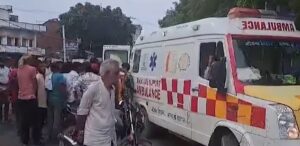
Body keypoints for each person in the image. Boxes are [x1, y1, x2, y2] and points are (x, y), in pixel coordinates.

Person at [76, 59, 120, 146]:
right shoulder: (94, 89)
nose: (118, 76)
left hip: (109, 137)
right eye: (116, 73)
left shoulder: (113, 89)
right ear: (107, 73)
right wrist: (81, 133)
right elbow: (81, 113)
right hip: (95, 139)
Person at [17, 55, 40, 146]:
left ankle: (25, 141)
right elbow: (35, 84)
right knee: (35, 121)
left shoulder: (19, 69)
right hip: (30, 98)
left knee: (24, 121)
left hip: (21, 97)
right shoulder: (32, 69)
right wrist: (35, 93)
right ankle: (35, 140)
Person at [47, 62, 67, 143]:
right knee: (57, 119)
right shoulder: (60, 76)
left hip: (50, 99)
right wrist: (65, 97)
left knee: (50, 119)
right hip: (58, 99)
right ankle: (55, 137)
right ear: (58, 67)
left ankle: (49, 136)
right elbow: (63, 88)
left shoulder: (49, 76)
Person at [36, 61, 47, 141]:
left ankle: (39, 136)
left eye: (44, 67)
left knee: (42, 122)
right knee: (39, 122)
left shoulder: (44, 76)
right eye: (41, 66)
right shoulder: (38, 77)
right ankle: (37, 137)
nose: (43, 68)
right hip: (39, 103)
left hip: (44, 103)